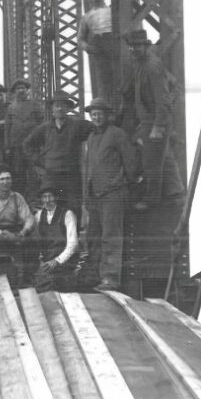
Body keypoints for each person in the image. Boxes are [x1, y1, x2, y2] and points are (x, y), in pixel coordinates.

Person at [122, 29, 184, 210]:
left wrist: (158, 126)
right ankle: (176, 192)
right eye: (132, 47)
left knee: (151, 162)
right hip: (148, 117)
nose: (134, 50)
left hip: (154, 119)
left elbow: (162, 99)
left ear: (145, 47)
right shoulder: (139, 63)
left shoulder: (152, 67)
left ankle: (151, 199)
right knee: (163, 155)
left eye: (138, 46)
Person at [85, 98, 139, 291]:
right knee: (95, 236)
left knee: (111, 236)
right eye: (93, 114)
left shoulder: (117, 134)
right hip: (96, 194)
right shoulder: (92, 137)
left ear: (107, 115)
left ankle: (111, 279)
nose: (96, 117)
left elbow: (130, 162)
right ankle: (96, 276)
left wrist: (131, 184)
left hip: (113, 193)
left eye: (99, 114)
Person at [23, 90, 93, 216]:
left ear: (68, 109)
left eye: (63, 105)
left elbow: (96, 128)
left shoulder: (77, 126)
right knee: (53, 210)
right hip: (51, 176)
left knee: (73, 209)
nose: (60, 108)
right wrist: (41, 161)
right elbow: (27, 145)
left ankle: (73, 235)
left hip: (71, 177)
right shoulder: (45, 129)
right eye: (57, 105)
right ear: (52, 109)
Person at [0, 167, 35, 286]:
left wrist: (23, 232)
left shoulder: (17, 197)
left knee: (31, 242)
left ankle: (26, 280)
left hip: (14, 230)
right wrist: (3, 235)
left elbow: (28, 217)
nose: (5, 182)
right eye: (2, 179)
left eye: (8, 178)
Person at [32, 182, 80, 292]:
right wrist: (41, 260)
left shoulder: (67, 214)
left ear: (56, 197)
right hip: (47, 262)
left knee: (58, 287)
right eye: (44, 197)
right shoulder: (39, 215)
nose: (47, 200)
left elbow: (73, 244)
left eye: (50, 196)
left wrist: (57, 261)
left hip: (65, 262)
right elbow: (36, 241)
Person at [4, 79, 44, 196]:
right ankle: (20, 196)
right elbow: (7, 127)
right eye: (18, 88)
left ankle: (34, 197)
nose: (21, 90)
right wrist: (7, 146)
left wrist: (40, 142)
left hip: (32, 145)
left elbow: (41, 124)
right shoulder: (11, 107)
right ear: (14, 92)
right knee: (18, 171)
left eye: (23, 88)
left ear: (27, 90)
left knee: (33, 172)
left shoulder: (35, 105)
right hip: (16, 146)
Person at [78, 0, 117, 102]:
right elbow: (80, 38)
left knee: (119, 75)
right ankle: (106, 104)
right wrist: (87, 48)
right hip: (98, 48)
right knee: (104, 79)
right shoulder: (86, 17)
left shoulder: (112, 11)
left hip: (114, 44)